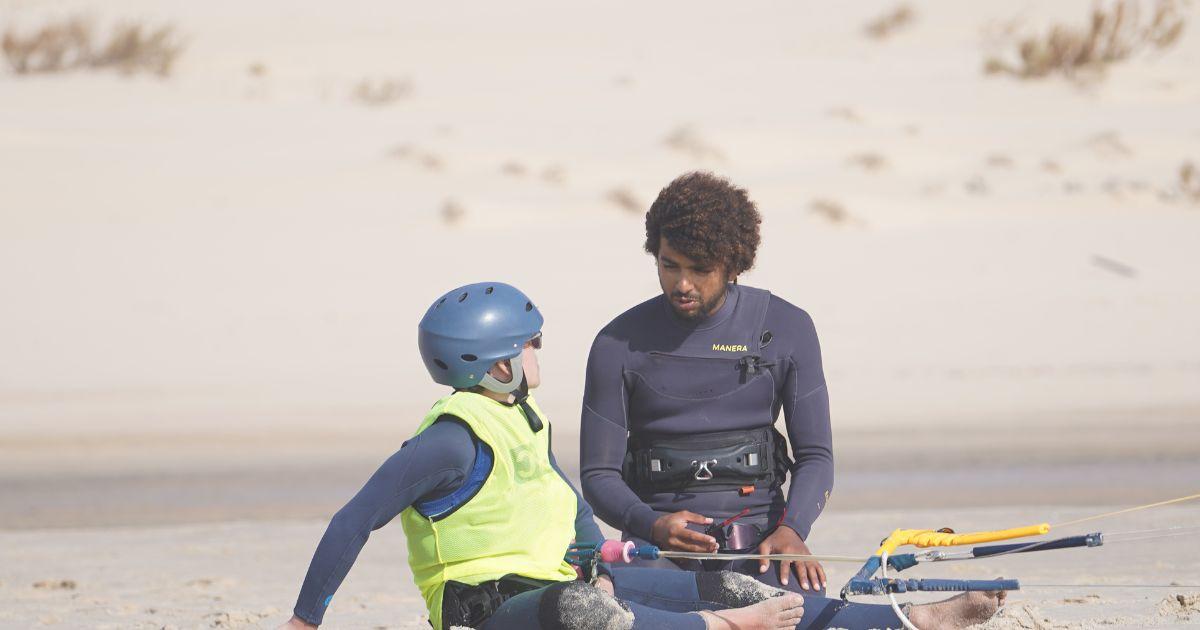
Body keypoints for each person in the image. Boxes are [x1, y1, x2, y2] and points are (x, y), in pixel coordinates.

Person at [276, 281, 1003, 630]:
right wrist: (306, 621)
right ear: (493, 363)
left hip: (577, 583)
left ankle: (909, 622)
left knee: (736, 587)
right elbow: (351, 521)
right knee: (581, 608)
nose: (538, 353)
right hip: (492, 612)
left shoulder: (520, 419)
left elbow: (566, 505)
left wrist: (622, 552)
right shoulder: (445, 440)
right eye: (529, 345)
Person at [580, 172, 834, 595]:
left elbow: (817, 456)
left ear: (733, 265)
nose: (682, 284)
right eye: (669, 265)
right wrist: (653, 525)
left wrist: (793, 528)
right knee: (619, 604)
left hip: (763, 544)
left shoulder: (787, 328)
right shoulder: (616, 344)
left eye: (701, 270)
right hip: (658, 548)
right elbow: (597, 474)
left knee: (797, 603)